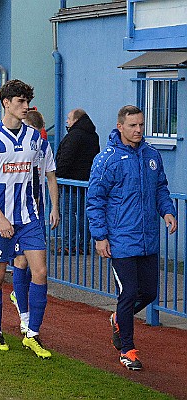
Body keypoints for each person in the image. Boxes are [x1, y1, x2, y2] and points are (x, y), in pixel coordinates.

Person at [87, 105, 177, 371]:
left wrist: (167, 211)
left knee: (149, 292)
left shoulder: (152, 155)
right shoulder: (107, 159)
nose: (138, 130)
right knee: (128, 293)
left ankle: (118, 318)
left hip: (148, 238)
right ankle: (127, 350)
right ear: (120, 127)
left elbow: (161, 187)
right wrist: (100, 237)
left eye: (141, 125)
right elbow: (95, 199)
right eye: (132, 125)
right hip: (121, 240)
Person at [0, 79, 51, 359]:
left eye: (26, 101)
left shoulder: (35, 137)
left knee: (40, 272)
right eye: (20, 101)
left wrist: (47, 206)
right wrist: (0, 217)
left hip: (29, 216)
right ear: (6, 103)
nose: (25, 106)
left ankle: (32, 333)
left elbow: (44, 173)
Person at [10, 109, 60, 334]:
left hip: (36, 212)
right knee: (21, 262)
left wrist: (54, 208)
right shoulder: (12, 146)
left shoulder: (43, 147)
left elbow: (51, 177)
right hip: (16, 213)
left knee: (37, 266)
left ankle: (22, 301)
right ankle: (24, 315)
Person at [55, 108, 100, 255]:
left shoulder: (74, 136)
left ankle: (69, 245)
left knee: (68, 213)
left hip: (70, 182)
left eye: (69, 118)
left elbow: (65, 158)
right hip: (87, 183)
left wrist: (58, 177)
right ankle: (83, 244)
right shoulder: (93, 136)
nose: (67, 121)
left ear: (76, 120)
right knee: (83, 214)